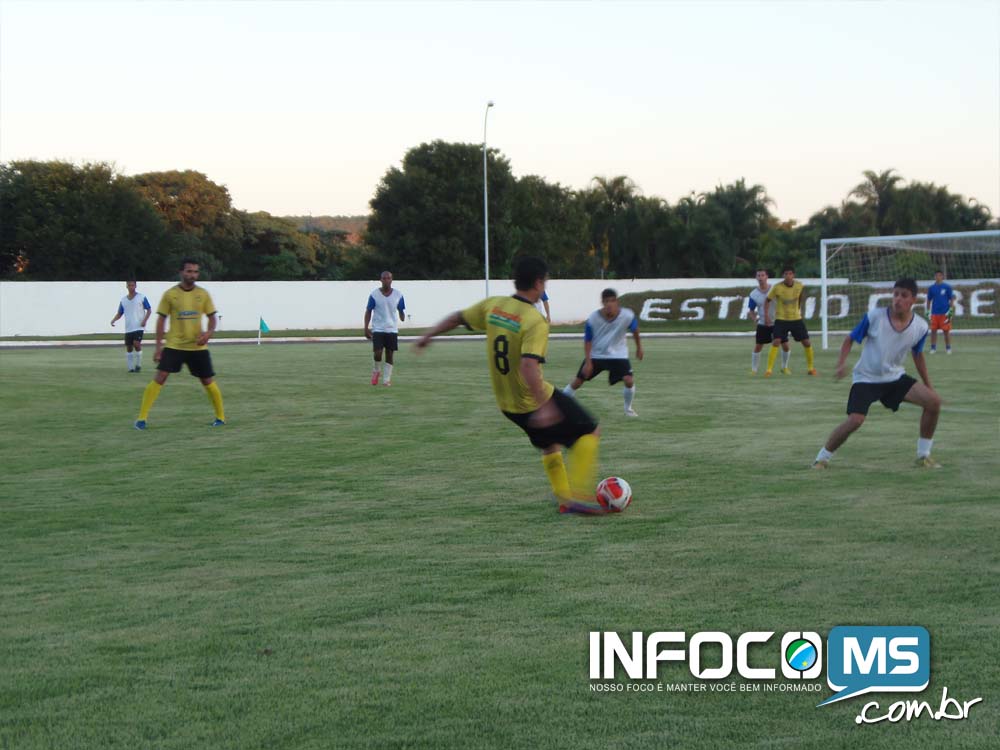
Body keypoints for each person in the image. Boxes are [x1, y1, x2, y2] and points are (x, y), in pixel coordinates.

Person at [415, 256, 607, 514]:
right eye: (545, 282)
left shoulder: (494, 305)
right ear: (538, 283)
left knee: (549, 444)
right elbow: (528, 366)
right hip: (533, 401)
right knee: (591, 431)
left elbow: (457, 317)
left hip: (507, 405)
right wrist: (544, 406)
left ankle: (564, 501)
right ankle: (579, 495)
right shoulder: (534, 320)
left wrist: (428, 335)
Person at [812, 278, 942, 469]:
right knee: (855, 420)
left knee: (934, 403)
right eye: (895, 294)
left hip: (894, 378)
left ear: (913, 300)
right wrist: (841, 364)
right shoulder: (875, 317)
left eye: (904, 295)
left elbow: (917, 355)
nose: (898, 299)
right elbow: (849, 339)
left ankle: (923, 456)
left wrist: (929, 386)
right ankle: (822, 458)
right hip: (866, 378)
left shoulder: (921, 327)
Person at [134, 259, 225, 430]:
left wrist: (208, 333)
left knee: (207, 380)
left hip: (197, 347)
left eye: (195, 272)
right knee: (160, 377)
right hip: (174, 345)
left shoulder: (203, 294)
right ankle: (141, 419)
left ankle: (220, 417)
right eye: (189, 271)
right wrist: (158, 347)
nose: (192, 275)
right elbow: (161, 320)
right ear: (181, 272)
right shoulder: (170, 294)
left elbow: (212, 317)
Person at [562, 289, 644, 417]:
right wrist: (588, 362)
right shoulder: (593, 318)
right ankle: (560, 405)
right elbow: (588, 340)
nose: (609, 304)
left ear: (617, 302)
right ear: (602, 303)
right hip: (597, 355)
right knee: (578, 381)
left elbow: (635, 330)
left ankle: (628, 409)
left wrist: (639, 348)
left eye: (612, 301)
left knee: (629, 380)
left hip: (618, 355)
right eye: (606, 301)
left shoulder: (627, 315)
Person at [765, 265, 817, 377]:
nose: (788, 276)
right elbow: (767, 300)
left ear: (793, 275)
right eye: (786, 274)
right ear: (783, 275)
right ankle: (769, 370)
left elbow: (800, 297)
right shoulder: (777, 287)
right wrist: (766, 316)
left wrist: (799, 309)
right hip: (781, 319)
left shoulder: (799, 285)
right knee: (776, 341)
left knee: (807, 342)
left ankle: (811, 368)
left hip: (796, 319)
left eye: (790, 274)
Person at [364, 271, 405, 386]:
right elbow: (368, 311)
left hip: (392, 329)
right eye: (384, 278)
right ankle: (376, 370)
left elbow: (401, 309)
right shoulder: (374, 295)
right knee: (377, 353)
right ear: (381, 280)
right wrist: (366, 328)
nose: (386, 280)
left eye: (388, 278)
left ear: (392, 280)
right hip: (378, 328)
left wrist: (402, 315)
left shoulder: (398, 295)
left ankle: (386, 380)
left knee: (390, 354)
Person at [746, 268, 787, 375]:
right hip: (763, 323)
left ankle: (784, 367)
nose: (760, 278)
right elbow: (751, 311)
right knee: (758, 346)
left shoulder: (774, 289)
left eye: (762, 275)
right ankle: (754, 370)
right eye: (758, 276)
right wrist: (755, 319)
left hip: (778, 322)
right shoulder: (753, 294)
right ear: (756, 278)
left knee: (785, 345)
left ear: (767, 277)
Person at [110, 280, 151, 372]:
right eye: (129, 285)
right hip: (129, 327)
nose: (131, 287)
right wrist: (113, 320)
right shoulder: (123, 300)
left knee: (136, 344)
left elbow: (149, 309)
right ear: (126, 286)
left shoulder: (141, 297)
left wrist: (145, 320)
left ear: (135, 286)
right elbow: (120, 313)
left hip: (138, 326)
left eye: (133, 285)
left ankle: (138, 365)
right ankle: (130, 367)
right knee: (129, 347)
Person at [926, 270, 955, 354]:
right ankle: (933, 348)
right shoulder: (931, 288)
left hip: (945, 313)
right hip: (934, 313)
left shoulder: (947, 287)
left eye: (939, 275)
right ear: (934, 277)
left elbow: (951, 299)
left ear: (942, 277)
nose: (938, 277)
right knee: (933, 331)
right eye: (936, 276)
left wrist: (950, 311)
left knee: (946, 331)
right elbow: (928, 300)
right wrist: (928, 311)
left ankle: (948, 348)